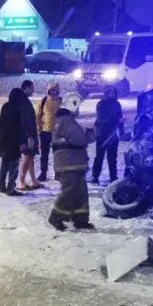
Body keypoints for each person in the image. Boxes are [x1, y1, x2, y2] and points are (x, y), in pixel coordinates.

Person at [49, 93, 94, 230]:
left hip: (72, 163)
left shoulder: (63, 120)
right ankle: (55, 216)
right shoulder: (66, 121)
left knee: (80, 192)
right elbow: (79, 139)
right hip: (69, 163)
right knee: (69, 192)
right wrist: (91, 134)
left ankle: (80, 219)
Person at [90, 85, 124, 183]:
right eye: (110, 92)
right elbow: (102, 119)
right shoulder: (101, 104)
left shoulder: (117, 104)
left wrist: (121, 128)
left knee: (112, 157)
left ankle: (113, 176)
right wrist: (114, 120)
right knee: (99, 156)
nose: (112, 94)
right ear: (106, 93)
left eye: (113, 93)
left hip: (113, 134)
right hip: (102, 134)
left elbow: (120, 118)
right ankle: (95, 176)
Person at [0, 88, 26, 195]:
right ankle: (11, 188)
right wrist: (21, 142)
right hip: (13, 142)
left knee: (4, 164)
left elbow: (2, 125)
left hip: (4, 140)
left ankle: (1, 186)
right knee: (14, 166)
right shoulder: (17, 109)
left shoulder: (5, 106)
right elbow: (18, 128)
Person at [17, 79, 41, 190]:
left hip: (29, 134)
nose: (33, 90)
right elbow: (25, 121)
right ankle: (21, 181)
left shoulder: (23, 100)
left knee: (30, 156)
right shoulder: (23, 102)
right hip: (28, 135)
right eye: (31, 88)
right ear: (25, 88)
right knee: (28, 156)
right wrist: (30, 136)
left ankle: (33, 180)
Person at [36, 83, 62, 181]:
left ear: (57, 91)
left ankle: (58, 173)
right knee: (44, 154)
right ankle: (43, 172)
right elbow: (38, 115)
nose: (53, 92)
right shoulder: (43, 101)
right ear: (48, 91)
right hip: (45, 131)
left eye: (54, 91)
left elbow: (70, 115)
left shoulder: (61, 101)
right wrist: (39, 127)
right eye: (51, 91)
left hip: (58, 132)